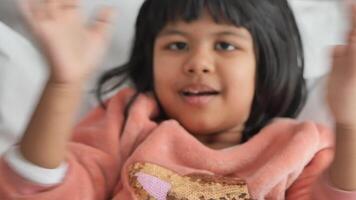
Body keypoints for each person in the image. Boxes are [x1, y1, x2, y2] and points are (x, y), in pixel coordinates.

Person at [0, 0, 356, 199]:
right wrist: (64, 83)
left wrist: (349, 122)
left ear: (266, 63)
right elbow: (38, 191)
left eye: (225, 45)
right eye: (177, 45)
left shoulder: (301, 146)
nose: (197, 63)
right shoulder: (125, 122)